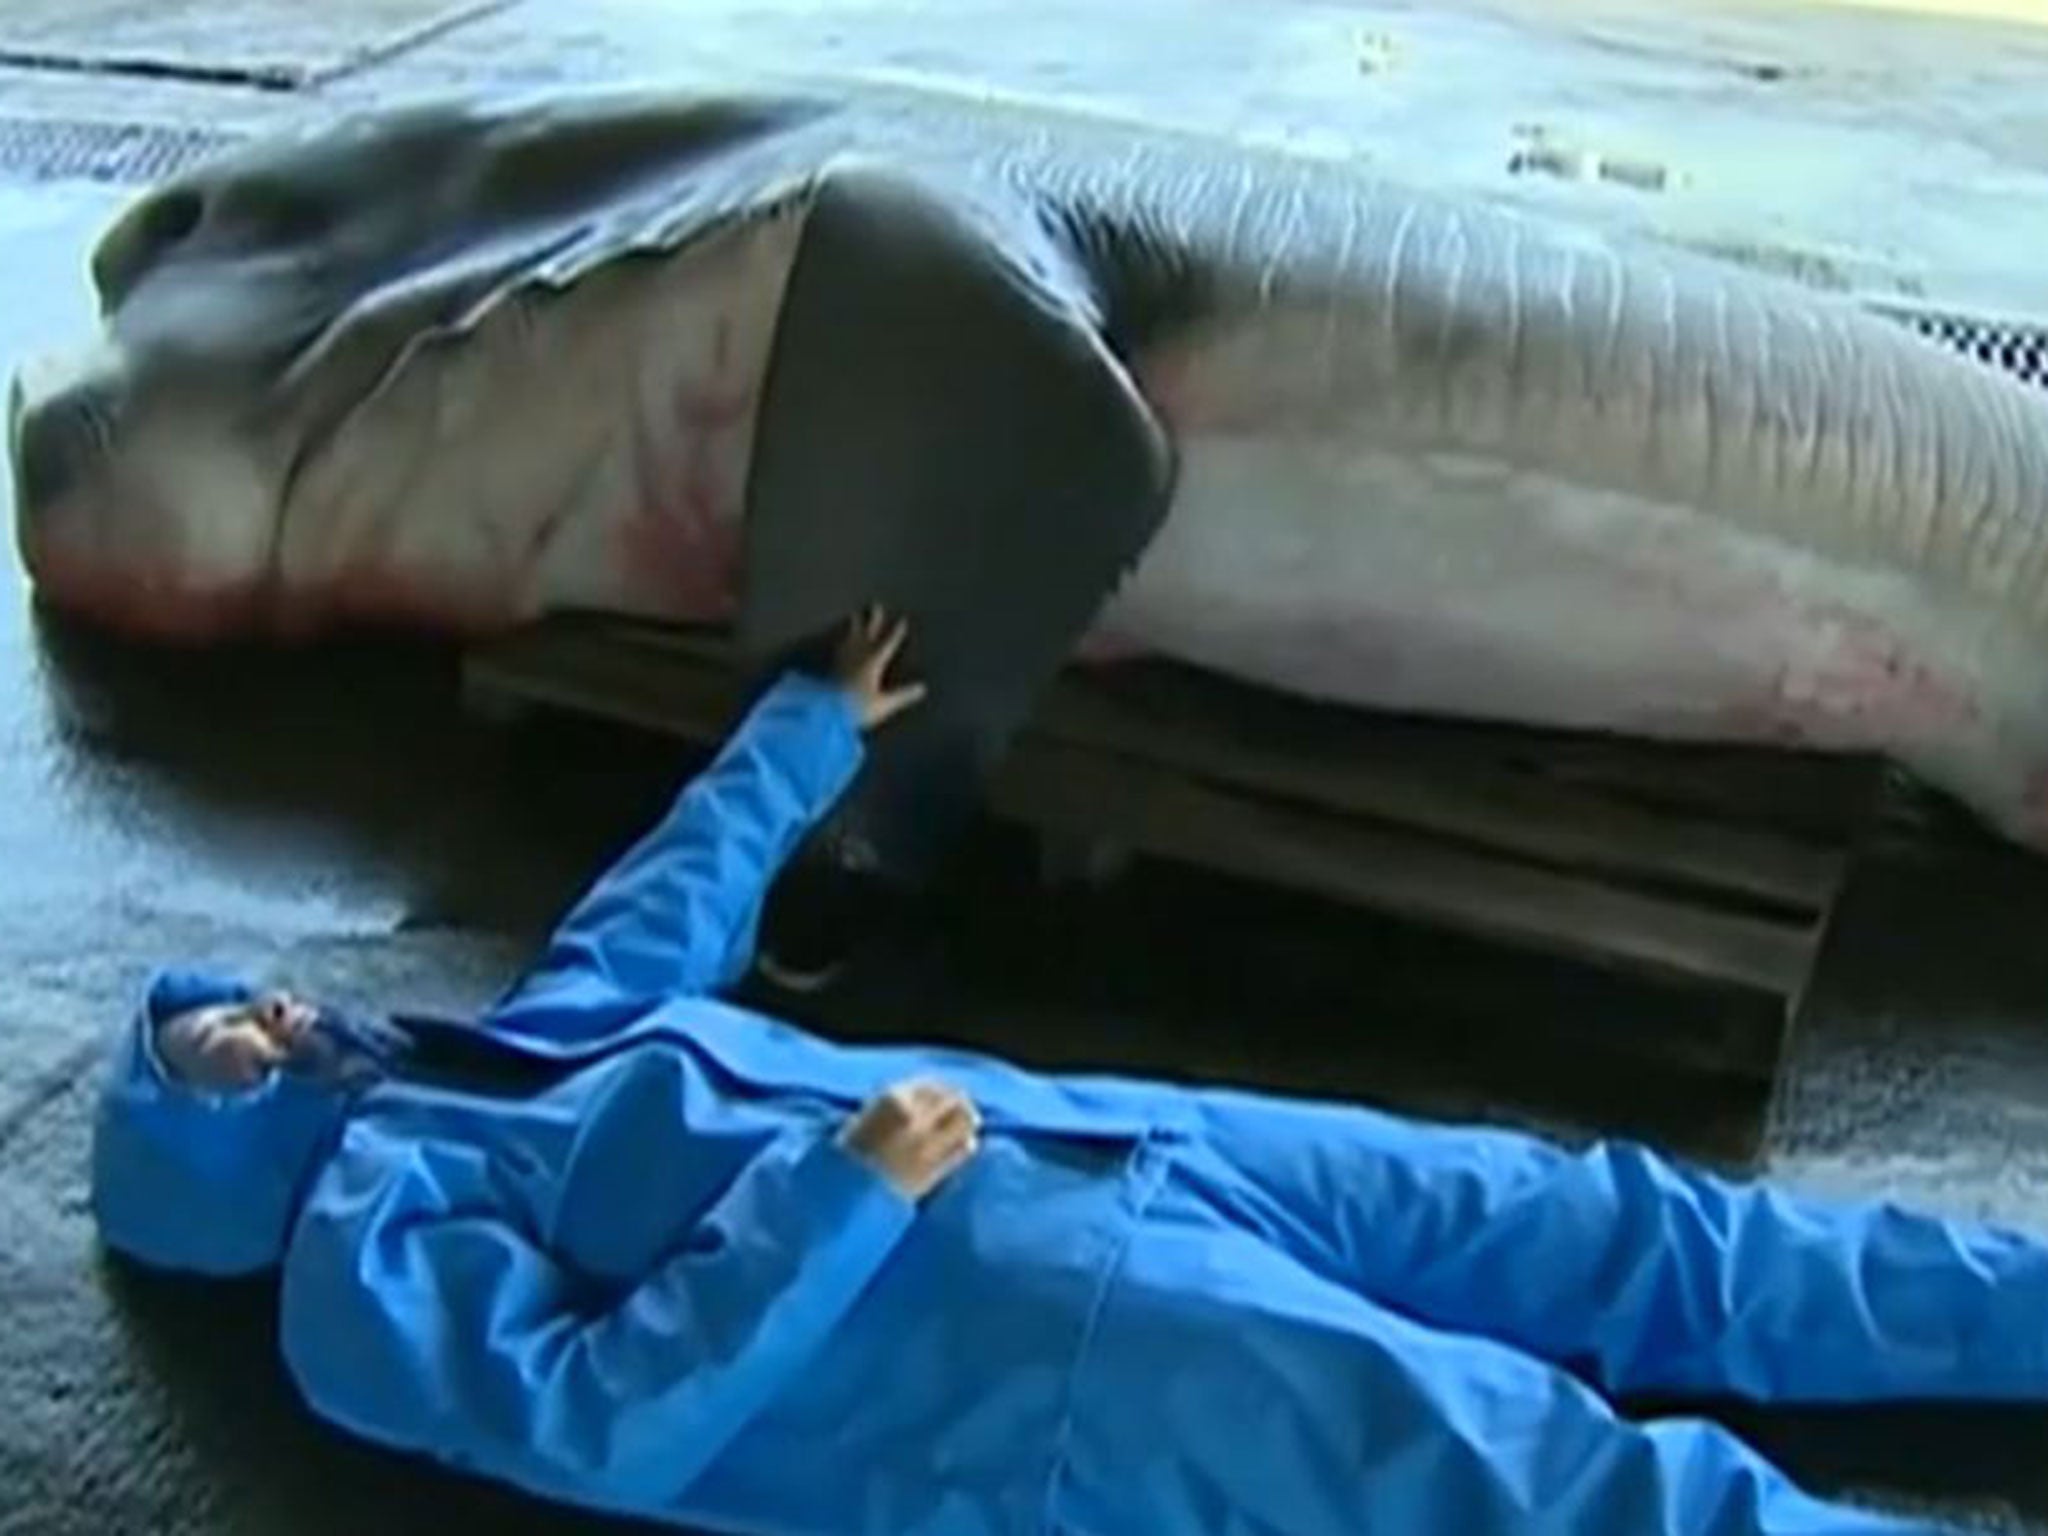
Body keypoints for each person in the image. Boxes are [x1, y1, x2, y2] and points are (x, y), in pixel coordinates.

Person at [89, 605, 2041, 1536]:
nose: (256, 1023)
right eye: (222, 1066)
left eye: (222, 1007)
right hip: (1040, 1355)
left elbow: (652, 917)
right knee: (1558, 1484)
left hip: (1118, 1154)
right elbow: (612, 1422)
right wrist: (831, 1188)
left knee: (1609, 1226)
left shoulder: (499, 1055)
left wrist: (801, 729)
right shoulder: (359, 1277)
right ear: (221, 1171)